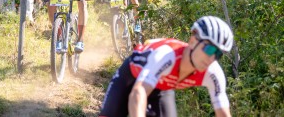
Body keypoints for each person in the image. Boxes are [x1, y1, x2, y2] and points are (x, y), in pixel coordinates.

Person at [99, 16, 234, 117]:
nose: (212, 58)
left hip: (161, 87)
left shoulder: (213, 72)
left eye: (218, 54)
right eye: (210, 49)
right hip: (130, 78)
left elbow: (223, 112)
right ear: (193, 41)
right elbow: (138, 92)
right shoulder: (167, 55)